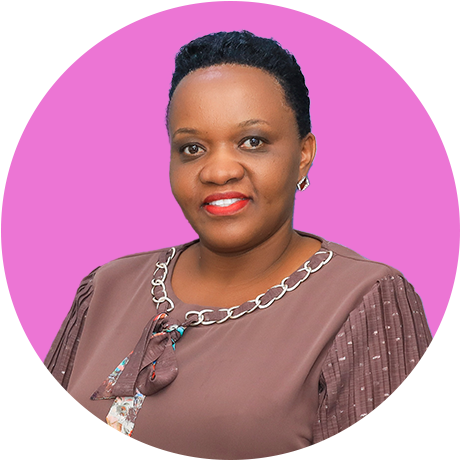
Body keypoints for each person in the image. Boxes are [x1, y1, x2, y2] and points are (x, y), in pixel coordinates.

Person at [44, 31, 432, 458]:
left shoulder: (365, 301)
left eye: (252, 142)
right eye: (192, 148)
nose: (218, 171)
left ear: (303, 154)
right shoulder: (106, 288)